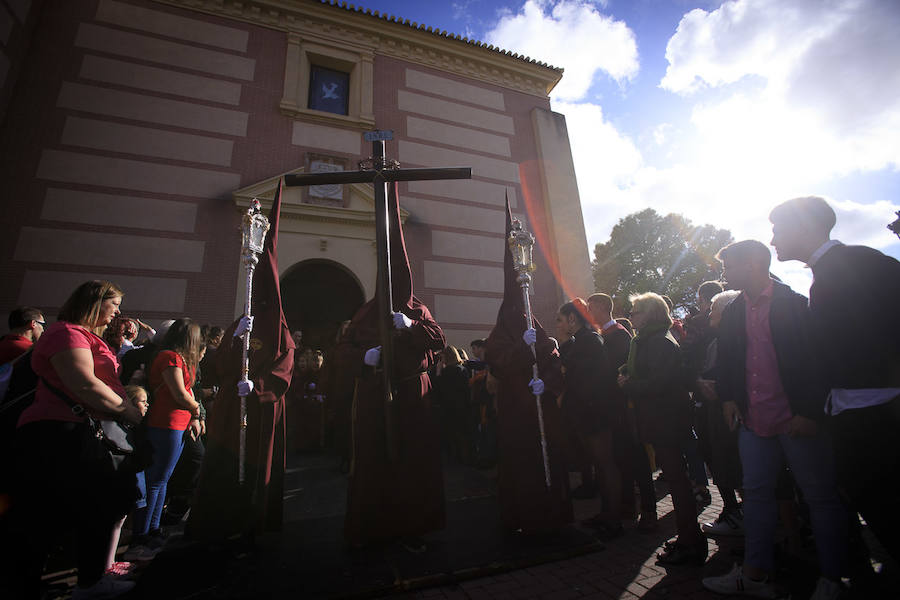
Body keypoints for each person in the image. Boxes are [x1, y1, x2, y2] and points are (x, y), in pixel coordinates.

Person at [702, 240, 848, 600]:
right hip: (754, 422)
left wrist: (809, 412)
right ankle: (756, 574)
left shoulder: (795, 304)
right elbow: (732, 361)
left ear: (752, 264)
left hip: (796, 420)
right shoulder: (735, 310)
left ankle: (834, 579)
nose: (723, 273)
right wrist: (729, 397)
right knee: (756, 496)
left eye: (729, 266)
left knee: (820, 498)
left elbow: (819, 361)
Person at [768, 196, 900, 564]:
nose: (774, 240)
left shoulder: (864, 264)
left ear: (805, 226)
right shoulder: (833, 272)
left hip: (877, 419)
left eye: (779, 230)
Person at [7, 280, 142, 599]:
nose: (118, 312)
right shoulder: (66, 333)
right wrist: (128, 411)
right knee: (47, 516)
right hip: (59, 434)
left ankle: (89, 578)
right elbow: (84, 385)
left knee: (88, 510)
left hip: (76, 433)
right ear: (94, 302)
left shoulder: (83, 336)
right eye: (114, 304)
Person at [337, 181, 446, 552]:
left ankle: (412, 527)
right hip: (375, 396)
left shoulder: (419, 310)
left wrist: (412, 326)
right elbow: (344, 350)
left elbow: (438, 341)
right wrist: (363, 359)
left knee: (413, 463)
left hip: (413, 396)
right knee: (377, 462)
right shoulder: (366, 311)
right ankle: (375, 526)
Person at [486, 205, 571, 535]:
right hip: (515, 415)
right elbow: (501, 361)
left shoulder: (537, 329)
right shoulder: (500, 335)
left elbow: (553, 360)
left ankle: (554, 514)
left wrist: (547, 384)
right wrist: (524, 348)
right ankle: (524, 518)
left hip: (541, 413)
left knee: (548, 460)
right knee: (521, 466)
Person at [619, 292, 705, 565]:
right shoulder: (647, 341)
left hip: (667, 419)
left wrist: (628, 385)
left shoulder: (657, 342)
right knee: (677, 477)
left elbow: (659, 384)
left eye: (635, 311)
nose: (631, 316)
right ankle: (688, 538)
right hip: (662, 418)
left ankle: (691, 541)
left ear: (650, 314)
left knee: (677, 479)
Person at [128, 318, 204, 558]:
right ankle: (141, 535)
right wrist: (196, 410)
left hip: (177, 424)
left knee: (164, 479)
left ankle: (153, 528)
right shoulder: (169, 357)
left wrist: (193, 413)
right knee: (156, 479)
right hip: (166, 423)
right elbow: (180, 393)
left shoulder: (180, 359)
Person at [588, 293, 656, 529]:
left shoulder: (619, 334)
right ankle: (627, 506)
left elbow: (621, 369)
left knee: (636, 459)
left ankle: (649, 510)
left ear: (604, 307)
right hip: (611, 408)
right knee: (620, 458)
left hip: (624, 407)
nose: (589, 311)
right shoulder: (602, 335)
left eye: (592, 306)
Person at [557, 298, 623, 538]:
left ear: (572, 319)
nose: (559, 324)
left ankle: (613, 520)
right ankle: (606, 514)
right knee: (600, 465)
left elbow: (592, 379)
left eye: (560, 319)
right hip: (588, 411)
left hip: (596, 412)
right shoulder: (580, 341)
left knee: (605, 465)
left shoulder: (590, 340)